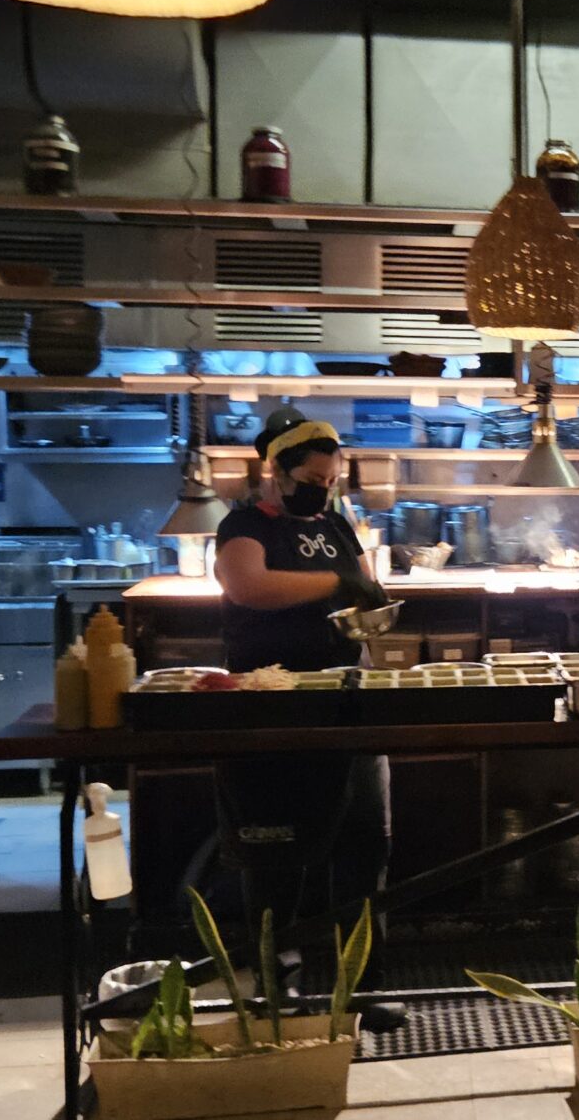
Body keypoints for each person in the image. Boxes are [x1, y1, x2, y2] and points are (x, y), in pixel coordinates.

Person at [208, 418, 400, 1023]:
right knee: (276, 852)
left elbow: (362, 583)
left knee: (365, 845)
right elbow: (247, 585)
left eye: (332, 478)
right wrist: (337, 581)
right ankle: (276, 985)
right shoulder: (245, 526)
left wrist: (367, 595)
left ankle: (362, 984)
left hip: (347, 697)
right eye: (314, 478)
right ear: (278, 472)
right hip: (274, 704)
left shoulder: (335, 523)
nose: (324, 488)